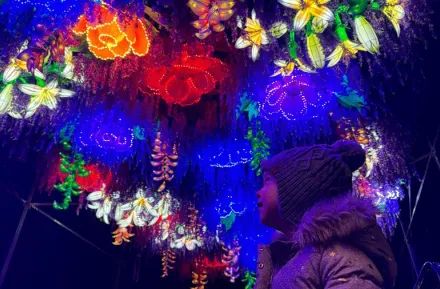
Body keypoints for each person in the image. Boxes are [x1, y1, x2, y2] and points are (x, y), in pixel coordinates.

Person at [255, 140, 397, 289]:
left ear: (298, 191)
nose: (259, 192)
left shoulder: (340, 257)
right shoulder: (290, 259)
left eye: (268, 182)